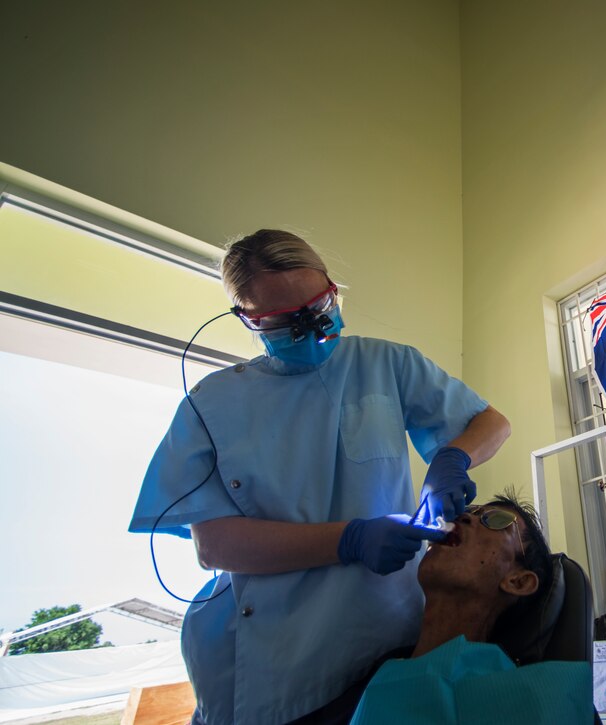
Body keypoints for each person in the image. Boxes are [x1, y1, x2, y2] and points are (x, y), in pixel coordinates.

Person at [128, 229, 511, 725]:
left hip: (386, 633)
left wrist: (454, 457)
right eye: (288, 321)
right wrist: (350, 539)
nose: (313, 328)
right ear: (248, 319)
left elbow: (492, 424)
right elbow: (215, 547)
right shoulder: (212, 404)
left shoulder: (385, 364)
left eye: (320, 304)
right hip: (278, 661)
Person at [290, 494, 592, 724]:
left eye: (495, 520)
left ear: (518, 581)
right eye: (469, 512)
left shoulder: (542, 699)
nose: (463, 517)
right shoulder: (376, 676)